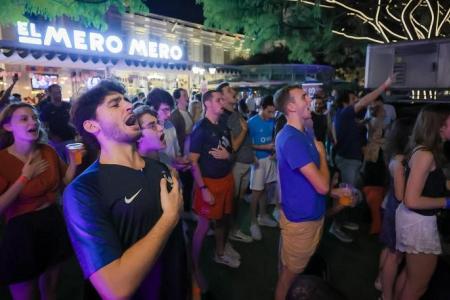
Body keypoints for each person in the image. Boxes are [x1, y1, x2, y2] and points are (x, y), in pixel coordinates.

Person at [63, 80, 185, 299]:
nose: (128, 105)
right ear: (92, 125)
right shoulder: (84, 191)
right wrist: (169, 219)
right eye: (114, 104)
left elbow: (177, 245)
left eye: (126, 100)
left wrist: (191, 286)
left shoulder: (161, 169)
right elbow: (114, 288)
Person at [274, 85, 351, 300]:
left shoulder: (302, 134)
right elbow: (321, 186)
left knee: (289, 270)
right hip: (302, 221)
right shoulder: (292, 139)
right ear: (290, 106)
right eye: (303, 97)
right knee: (288, 277)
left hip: (308, 215)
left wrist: (335, 192)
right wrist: (323, 156)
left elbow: (305, 180)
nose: (310, 100)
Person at [0, 102, 76, 299]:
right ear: (8, 126)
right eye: (23, 119)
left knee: (51, 292)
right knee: (26, 293)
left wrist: (74, 163)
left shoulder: (48, 151)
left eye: (34, 117)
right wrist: (25, 176)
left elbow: (64, 183)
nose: (32, 121)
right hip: (21, 230)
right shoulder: (2, 160)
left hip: (51, 220)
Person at [395, 104, 450, 300]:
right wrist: (445, 202)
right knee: (418, 286)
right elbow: (411, 199)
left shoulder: (424, 150)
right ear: (439, 125)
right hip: (418, 223)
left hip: (413, 220)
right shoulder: (425, 154)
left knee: (409, 276)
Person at [330, 75, 394, 242]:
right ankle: (334, 225)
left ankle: (342, 221)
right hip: (348, 162)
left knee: (348, 193)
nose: (357, 101)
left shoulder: (346, 117)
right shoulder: (344, 113)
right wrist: (384, 85)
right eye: (353, 99)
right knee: (346, 195)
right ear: (345, 102)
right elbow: (365, 101)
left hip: (351, 161)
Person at [190, 90, 240, 295]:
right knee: (203, 226)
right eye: (218, 100)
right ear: (208, 104)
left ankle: (220, 253)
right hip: (209, 184)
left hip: (226, 180)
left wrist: (228, 156)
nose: (223, 102)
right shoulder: (200, 129)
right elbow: (193, 162)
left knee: (222, 220)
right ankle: (192, 267)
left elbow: (231, 155)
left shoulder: (223, 124)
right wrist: (203, 189)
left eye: (223, 99)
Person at [376, 119, 413, 300]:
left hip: (389, 204)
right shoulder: (400, 161)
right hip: (396, 210)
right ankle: (385, 292)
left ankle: (381, 281)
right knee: (394, 254)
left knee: (390, 250)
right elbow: (401, 195)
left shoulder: (394, 155)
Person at [217, 82, 253, 243]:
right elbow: (234, 146)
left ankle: (232, 231)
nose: (233, 92)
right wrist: (245, 130)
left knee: (237, 201)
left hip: (245, 162)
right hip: (236, 164)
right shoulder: (225, 117)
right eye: (229, 90)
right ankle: (230, 234)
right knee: (231, 203)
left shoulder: (235, 111)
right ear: (222, 99)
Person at [247, 95, 278, 240]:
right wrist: (262, 148)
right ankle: (253, 223)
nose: (271, 115)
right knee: (256, 193)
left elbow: (273, 139)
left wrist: (273, 150)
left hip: (269, 159)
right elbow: (247, 144)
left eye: (273, 112)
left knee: (265, 188)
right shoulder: (251, 123)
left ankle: (263, 216)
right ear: (261, 108)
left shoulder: (273, 121)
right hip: (257, 161)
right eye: (269, 112)